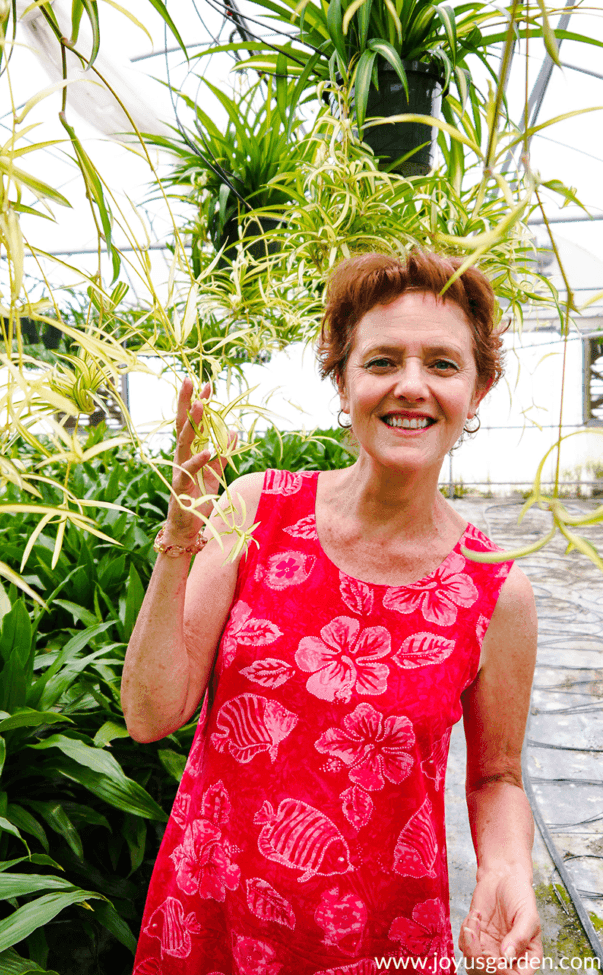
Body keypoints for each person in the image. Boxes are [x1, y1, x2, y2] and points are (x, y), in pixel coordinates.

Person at [122, 251, 542, 975]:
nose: (411, 386)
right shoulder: (257, 510)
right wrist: (183, 537)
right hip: (211, 918)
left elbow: (496, 776)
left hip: (376, 941)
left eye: (443, 364)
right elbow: (150, 712)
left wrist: (507, 871)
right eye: (382, 361)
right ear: (342, 382)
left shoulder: (494, 590)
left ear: (479, 390)